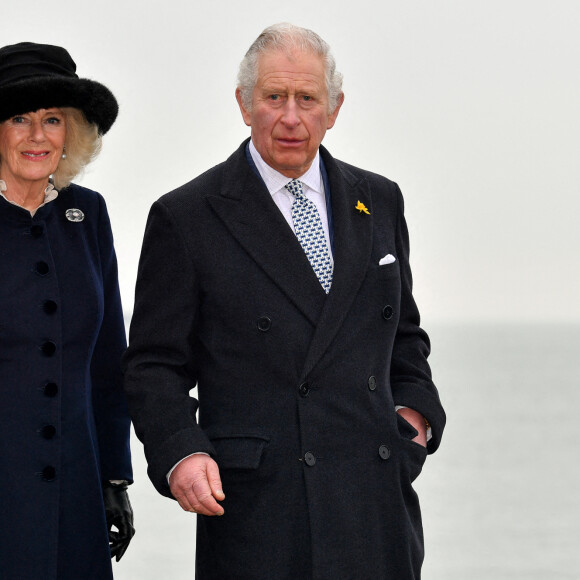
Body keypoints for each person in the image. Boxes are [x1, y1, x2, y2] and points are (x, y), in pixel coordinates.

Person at [124, 23, 445, 579]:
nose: (291, 117)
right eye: (274, 97)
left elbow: (403, 335)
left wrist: (413, 415)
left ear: (334, 107)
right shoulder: (188, 215)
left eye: (307, 98)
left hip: (374, 500)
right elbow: (154, 364)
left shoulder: (380, 199)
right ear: (245, 105)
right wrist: (181, 450)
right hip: (261, 511)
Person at [0, 42, 134, 579]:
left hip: (75, 490)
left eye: (53, 119)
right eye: (19, 118)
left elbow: (108, 358)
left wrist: (113, 479)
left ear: (71, 132)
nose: (37, 135)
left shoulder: (90, 215)